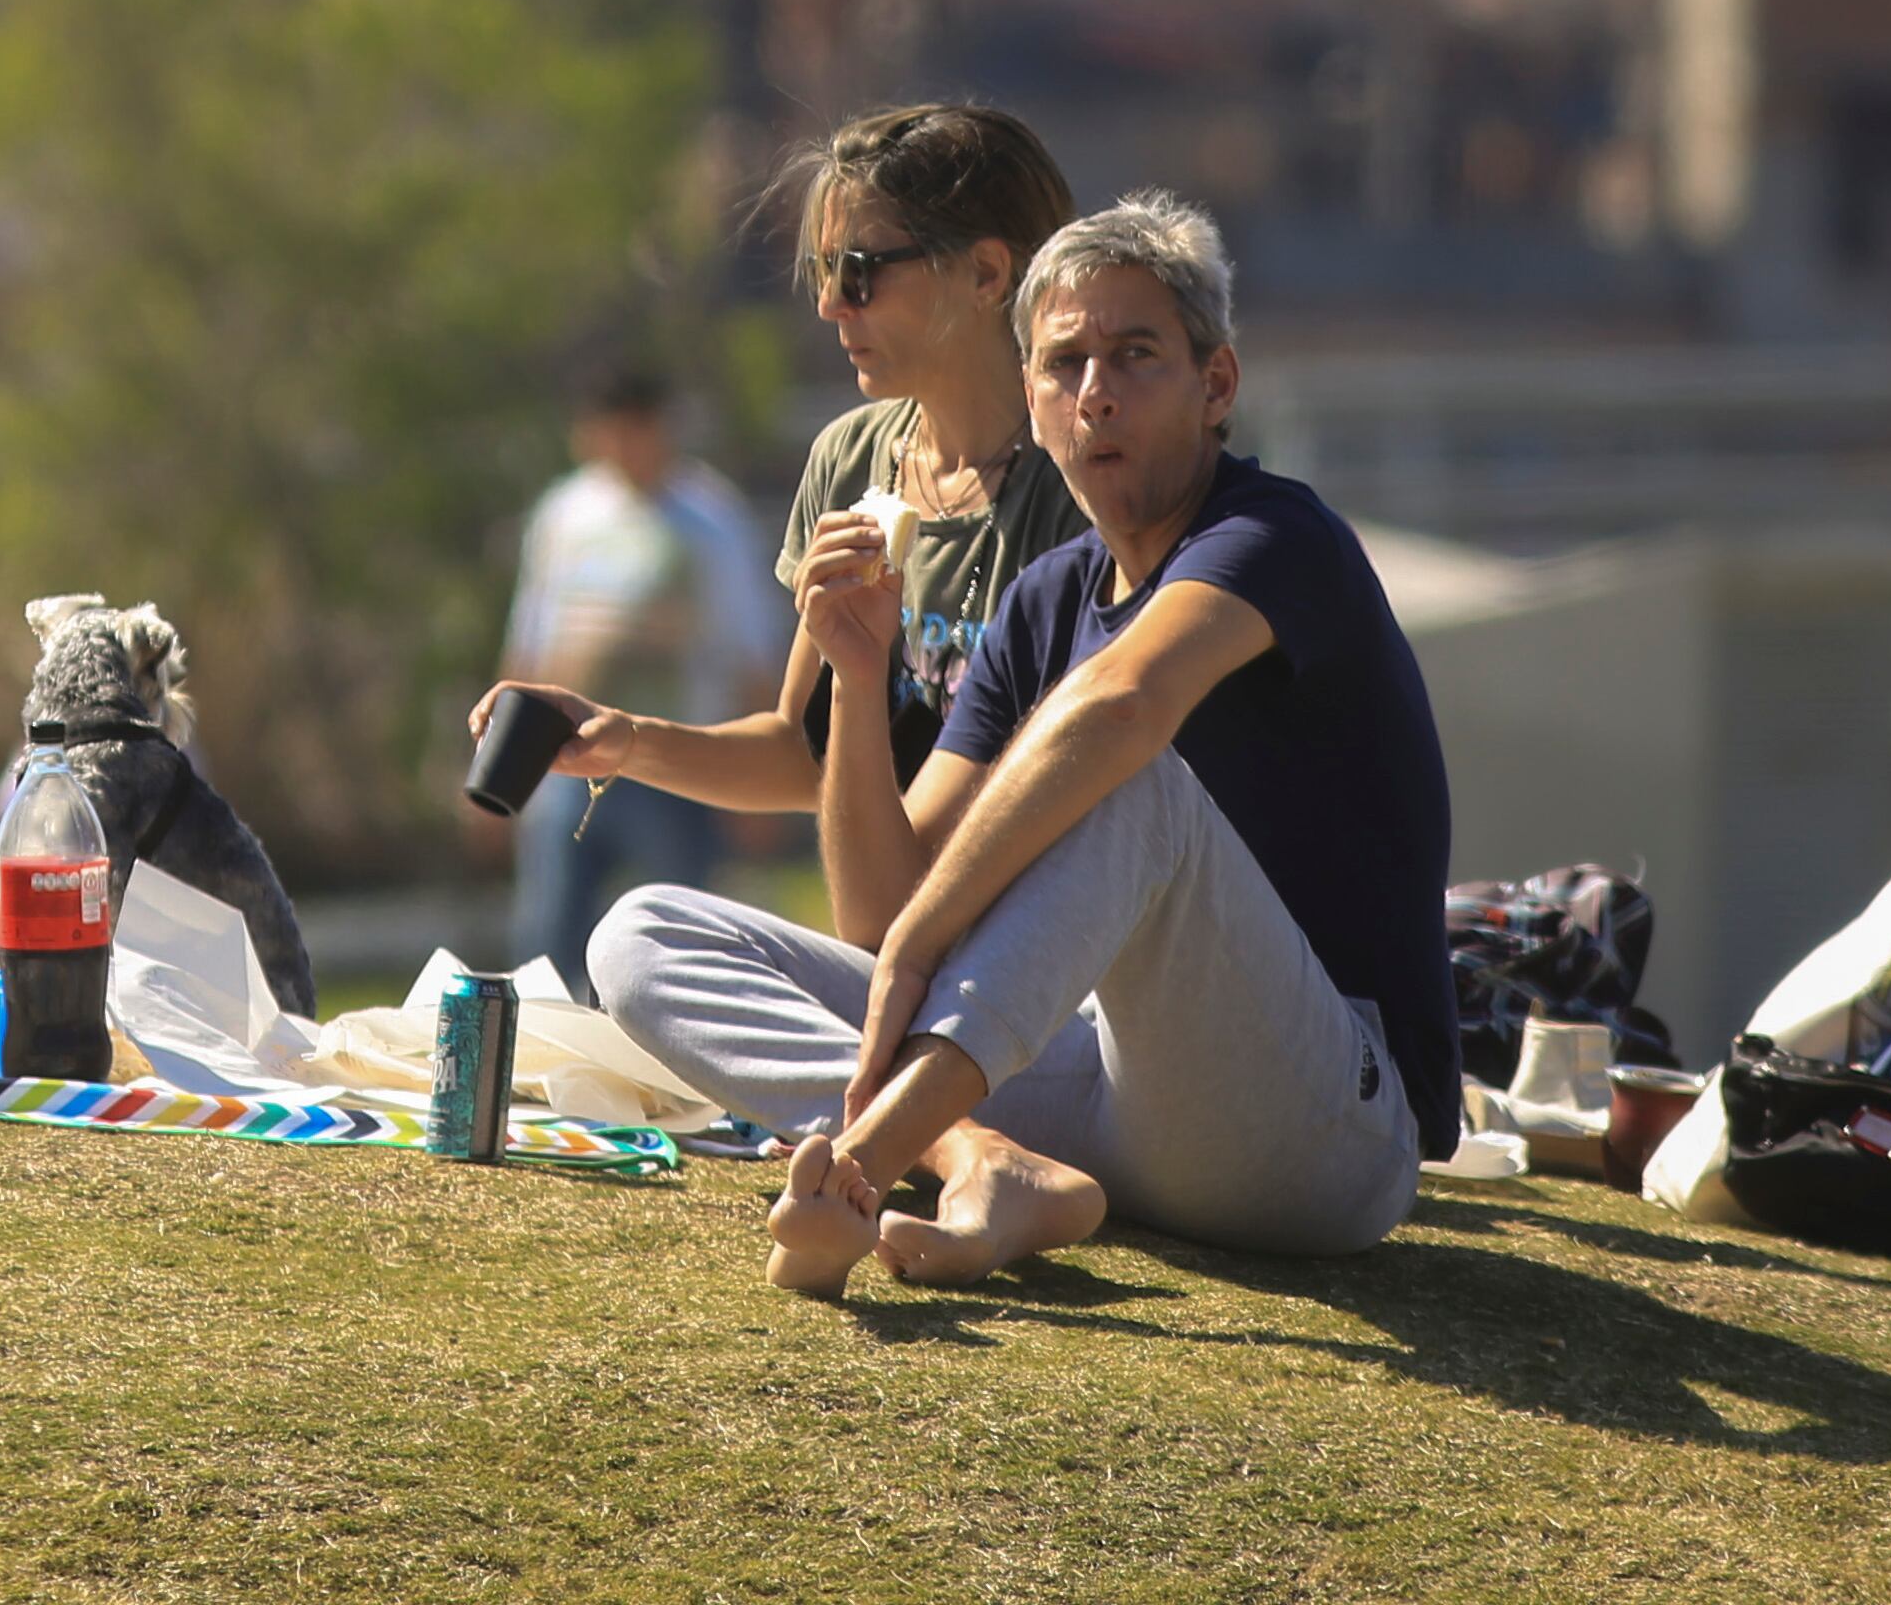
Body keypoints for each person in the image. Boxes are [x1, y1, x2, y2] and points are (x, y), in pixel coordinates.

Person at [750, 195, 1461, 1294]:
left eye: (1135, 356)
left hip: (1326, 1132)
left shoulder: (1276, 536)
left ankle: (859, 1169)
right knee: (650, 930)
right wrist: (853, 673)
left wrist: (927, 935)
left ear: (1215, 385)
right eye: (1064, 364)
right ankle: (984, 1159)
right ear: (1031, 401)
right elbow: (881, 916)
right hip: (1103, 1098)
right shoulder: (1046, 599)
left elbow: (1125, 705)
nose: (1095, 393)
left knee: (1137, 789)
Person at [467, 104, 1085, 1089]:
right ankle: (931, 1127)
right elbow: (804, 750)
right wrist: (621, 737)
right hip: (905, 967)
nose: (831, 307)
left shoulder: (1080, 498)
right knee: (631, 937)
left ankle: (925, 1124)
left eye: (859, 272)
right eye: (819, 275)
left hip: (1031, 978)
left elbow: (902, 896)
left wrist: (859, 663)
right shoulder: (853, 459)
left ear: (986, 272)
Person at [491, 362, 788, 995]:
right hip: (567, 763)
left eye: (641, 428)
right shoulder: (564, 516)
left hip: (670, 767)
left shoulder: (711, 521)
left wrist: (755, 786)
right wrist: (500, 764)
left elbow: (750, 652)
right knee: (545, 939)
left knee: (676, 945)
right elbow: (532, 642)